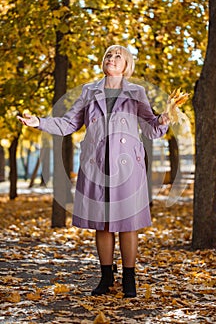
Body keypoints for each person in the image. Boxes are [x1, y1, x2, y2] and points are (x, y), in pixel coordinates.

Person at [17, 45, 170, 298]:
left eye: (118, 56)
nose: (112, 58)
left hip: (128, 167)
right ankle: (106, 278)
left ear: (127, 64)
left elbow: (151, 128)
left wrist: (162, 121)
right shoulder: (89, 91)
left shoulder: (136, 92)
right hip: (96, 164)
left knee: (128, 224)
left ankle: (129, 280)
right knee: (103, 224)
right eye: (108, 55)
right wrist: (40, 122)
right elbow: (68, 123)